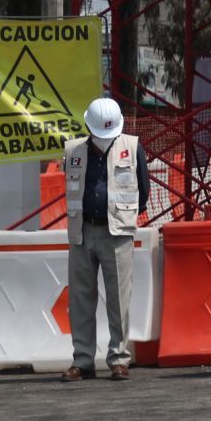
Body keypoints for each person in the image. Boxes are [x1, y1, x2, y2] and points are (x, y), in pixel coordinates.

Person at [60, 97, 149, 382]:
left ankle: (119, 359)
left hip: (117, 232)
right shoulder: (73, 149)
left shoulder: (132, 148)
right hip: (82, 232)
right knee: (80, 299)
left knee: (118, 299)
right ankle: (83, 360)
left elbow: (143, 191)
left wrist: (124, 216)